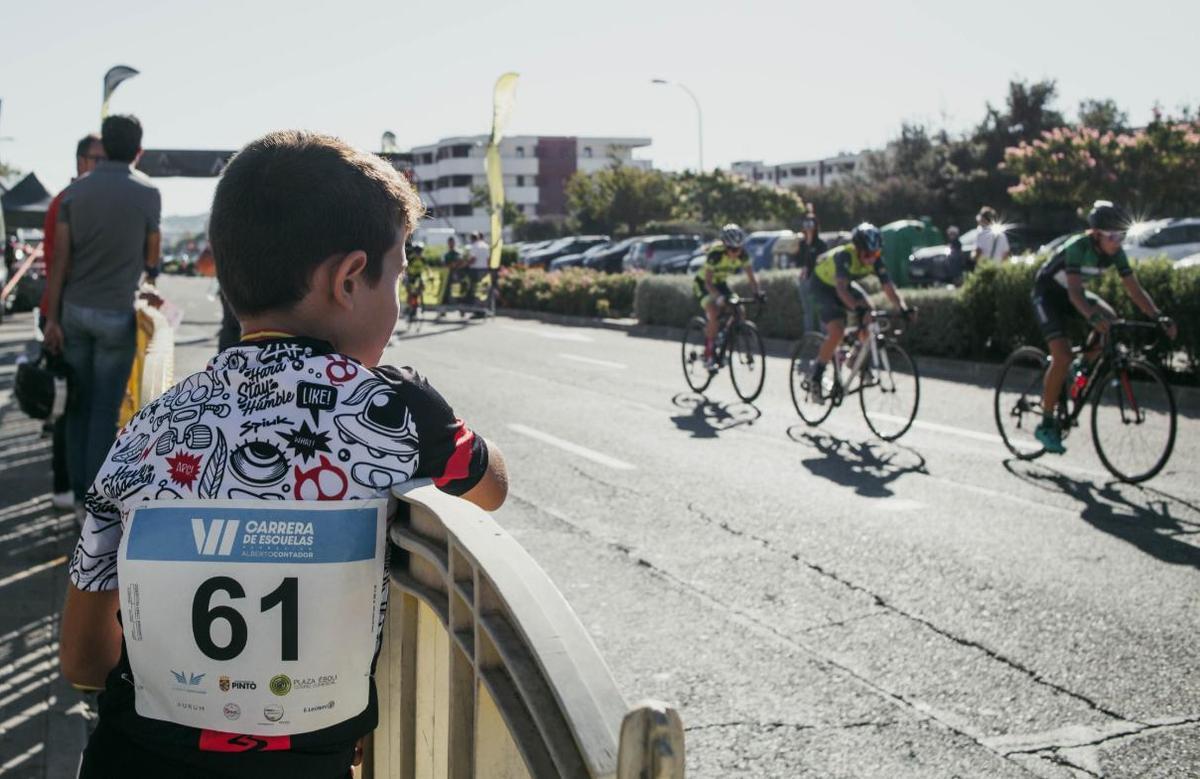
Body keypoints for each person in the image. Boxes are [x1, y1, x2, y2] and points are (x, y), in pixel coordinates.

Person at [59, 131, 509, 778]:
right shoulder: (393, 409)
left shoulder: (145, 430)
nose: (399, 305)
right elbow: (490, 486)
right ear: (350, 279)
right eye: (399, 279)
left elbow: (81, 661)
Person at [42, 114, 161, 508]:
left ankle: (77, 495)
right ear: (139, 151)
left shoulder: (75, 193)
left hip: (74, 311)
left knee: (76, 406)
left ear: (103, 148)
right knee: (104, 411)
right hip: (117, 314)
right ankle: (93, 502)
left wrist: (54, 318)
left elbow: (60, 260)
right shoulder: (148, 193)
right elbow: (152, 257)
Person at [1030, 200, 1177, 453]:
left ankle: (1083, 368)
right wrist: (1091, 317)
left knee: (1111, 320)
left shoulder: (1115, 252)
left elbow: (1134, 289)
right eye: (1113, 236)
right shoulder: (1078, 247)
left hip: (1072, 294)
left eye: (1122, 236)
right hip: (1049, 295)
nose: (1118, 242)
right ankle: (1046, 422)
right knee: (1062, 356)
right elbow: (1075, 293)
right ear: (1096, 235)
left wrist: (1158, 316)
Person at [38, 132, 106, 509]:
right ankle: (65, 485)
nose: (103, 166)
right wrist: (55, 320)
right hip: (61, 313)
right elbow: (56, 267)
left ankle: (68, 485)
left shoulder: (78, 200)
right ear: (81, 161)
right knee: (68, 402)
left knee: (74, 403)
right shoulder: (67, 201)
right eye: (98, 159)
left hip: (65, 312)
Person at [807, 223, 913, 396]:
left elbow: (888, 287)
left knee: (869, 312)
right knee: (837, 331)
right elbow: (840, 290)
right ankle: (816, 376)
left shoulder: (875, 258)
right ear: (857, 249)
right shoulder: (845, 256)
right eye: (867, 254)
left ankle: (855, 357)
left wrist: (902, 309)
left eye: (876, 253)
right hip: (822, 286)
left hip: (843, 285)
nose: (871, 258)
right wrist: (856, 309)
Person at [693, 224, 762, 371]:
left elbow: (751, 277)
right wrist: (718, 298)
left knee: (740, 311)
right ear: (725, 246)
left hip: (721, 284)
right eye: (731, 249)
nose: (735, 253)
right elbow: (708, 282)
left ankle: (726, 345)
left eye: (738, 249)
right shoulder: (715, 254)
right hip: (704, 285)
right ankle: (709, 353)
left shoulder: (743, 255)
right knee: (714, 311)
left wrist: (758, 293)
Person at [795, 214, 827, 334]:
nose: (808, 228)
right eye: (806, 224)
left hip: (817, 280)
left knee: (820, 309)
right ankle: (808, 336)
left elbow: (821, 261)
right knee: (807, 310)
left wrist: (810, 268)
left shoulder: (821, 244)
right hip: (804, 280)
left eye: (811, 224)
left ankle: (823, 336)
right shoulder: (803, 244)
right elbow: (798, 260)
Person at [464, 231, 490, 305]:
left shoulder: (474, 246)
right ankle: (483, 305)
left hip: (475, 270)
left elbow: (473, 259)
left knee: (475, 289)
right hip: (484, 269)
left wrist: (465, 265)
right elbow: (488, 259)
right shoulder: (485, 246)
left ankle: (477, 307)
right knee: (483, 288)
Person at [404, 239, 427, 319]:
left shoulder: (423, 259)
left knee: (421, 287)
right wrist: (406, 276)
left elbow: (427, 269)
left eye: (420, 251)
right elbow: (405, 268)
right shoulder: (411, 258)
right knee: (410, 291)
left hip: (418, 276)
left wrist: (430, 276)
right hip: (410, 276)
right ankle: (408, 306)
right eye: (417, 251)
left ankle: (418, 304)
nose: (418, 253)